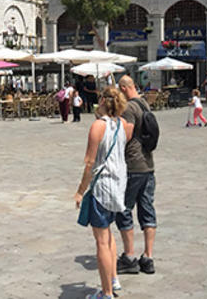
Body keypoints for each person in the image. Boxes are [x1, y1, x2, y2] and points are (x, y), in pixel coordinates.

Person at [73, 90, 132, 298]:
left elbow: (89, 162)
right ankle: (114, 279)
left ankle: (106, 293)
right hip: (119, 185)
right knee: (109, 233)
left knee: (101, 241)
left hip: (102, 187)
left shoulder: (98, 126)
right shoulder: (123, 124)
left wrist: (80, 191)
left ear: (102, 101)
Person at [114, 82, 161, 275]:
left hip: (132, 164)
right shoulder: (144, 103)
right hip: (148, 165)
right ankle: (148, 257)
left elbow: (126, 135)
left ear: (124, 89)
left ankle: (129, 256)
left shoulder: (128, 108)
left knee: (124, 209)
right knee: (147, 209)